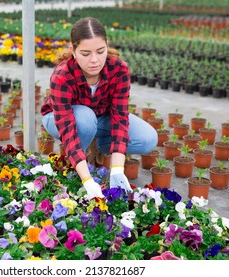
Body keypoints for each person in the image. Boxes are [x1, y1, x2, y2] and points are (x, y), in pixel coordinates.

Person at [40, 17, 157, 200]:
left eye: (100, 52)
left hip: (101, 116)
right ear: (73, 51)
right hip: (61, 118)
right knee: (85, 121)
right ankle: (80, 166)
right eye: (85, 54)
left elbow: (119, 117)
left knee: (148, 139)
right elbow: (68, 130)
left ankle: (99, 147)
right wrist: (87, 180)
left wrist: (117, 170)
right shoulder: (62, 76)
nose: (94, 60)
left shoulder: (119, 70)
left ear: (106, 46)